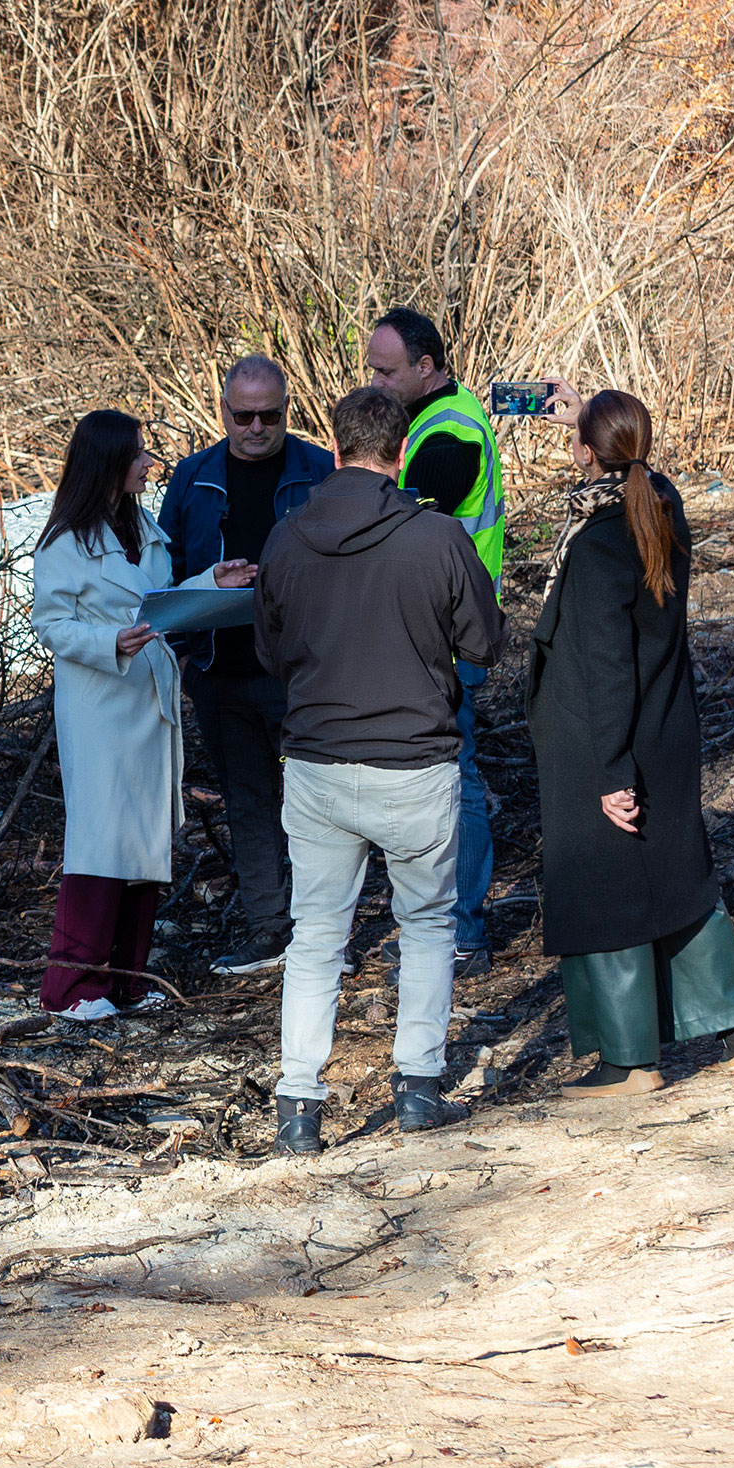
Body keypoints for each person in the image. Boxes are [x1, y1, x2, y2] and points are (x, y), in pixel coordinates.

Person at [254, 386, 506, 1153]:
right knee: (426, 926)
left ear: (333, 451)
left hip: (319, 763)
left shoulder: (287, 539)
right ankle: (420, 1089)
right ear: (400, 455)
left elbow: (271, 653)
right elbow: (485, 643)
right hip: (414, 763)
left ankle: (299, 1103)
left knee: (317, 934)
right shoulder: (435, 538)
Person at [526, 386, 734, 1095]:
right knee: (672, 880)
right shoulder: (659, 508)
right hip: (666, 725)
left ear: (586, 453)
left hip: (608, 737)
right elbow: (632, 472)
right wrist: (584, 420)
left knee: (606, 887)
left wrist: (610, 771)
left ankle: (628, 1060)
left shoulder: (600, 540)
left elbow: (607, 664)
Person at [30, 408, 256, 1022]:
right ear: (106, 461)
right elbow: (49, 623)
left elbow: (159, 600)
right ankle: (70, 989)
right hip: (102, 707)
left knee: (144, 842)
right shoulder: (65, 542)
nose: (148, 462)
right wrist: (109, 643)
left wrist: (213, 579)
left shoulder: (143, 524)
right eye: (137, 454)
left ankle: (125, 981)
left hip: (150, 703)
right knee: (100, 844)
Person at [161, 355, 334, 975]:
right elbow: (167, 570)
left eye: (270, 415)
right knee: (247, 802)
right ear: (223, 411)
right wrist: (185, 654)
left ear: (287, 409)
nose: (257, 427)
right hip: (220, 671)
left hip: (301, 671)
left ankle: (322, 931)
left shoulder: (318, 470)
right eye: (244, 415)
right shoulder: (194, 478)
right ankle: (269, 928)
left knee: (322, 801)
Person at [365, 307, 509, 973]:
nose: (377, 381)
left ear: (427, 366)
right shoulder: (436, 416)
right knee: (445, 778)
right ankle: (452, 926)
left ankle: (461, 930)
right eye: (373, 368)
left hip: (445, 636)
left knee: (451, 780)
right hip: (443, 629)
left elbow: (399, 525)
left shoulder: (448, 434)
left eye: (387, 371)